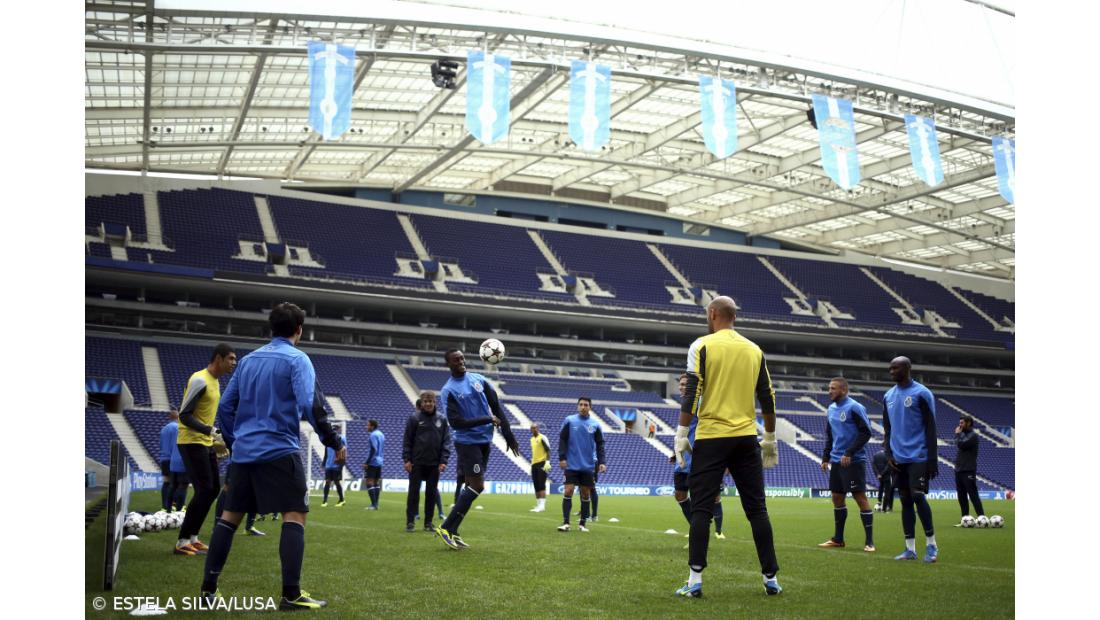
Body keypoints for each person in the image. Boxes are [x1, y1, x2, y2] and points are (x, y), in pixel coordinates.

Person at [200, 302, 345, 610]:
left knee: (229, 518)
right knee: (295, 514)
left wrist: (233, 441)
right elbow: (310, 404)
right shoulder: (297, 359)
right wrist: (331, 440)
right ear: (299, 330)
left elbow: (225, 406)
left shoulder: (249, 360)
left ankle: (208, 590)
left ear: (271, 328)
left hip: (244, 453)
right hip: (280, 450)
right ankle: (291, 594)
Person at [673, 296, 781, 598]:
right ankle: (770, 578)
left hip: (711, 435)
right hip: (746, 436)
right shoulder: (754, 349)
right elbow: (767, 395)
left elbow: (692, 390)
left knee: (702, 510)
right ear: (734, 316)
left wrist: (682, 431)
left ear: (712, 314)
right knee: (757, 509)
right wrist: (769, 438)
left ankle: (694, 581)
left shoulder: (701, 345)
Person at [434, 349, 520, 550]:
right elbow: (456, 423)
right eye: (456, 360)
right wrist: (486, 419)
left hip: (484, 440)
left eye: (462, 358)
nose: (461, 362)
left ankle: (453, 531)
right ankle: (445, 527)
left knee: (470, 487)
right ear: (448, 364)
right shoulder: (448, 390)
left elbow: (497, 407)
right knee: (477, 485)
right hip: (466, 442)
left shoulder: (479, 379)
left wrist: (509, 435)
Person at [174, 343, 237, 557]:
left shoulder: (216, 382)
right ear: (218, 358)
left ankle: (193, 538)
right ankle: (182, 541)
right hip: (191, 441)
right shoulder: (200, 379)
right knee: (204, 490)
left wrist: (214, 439)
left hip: (205, 442)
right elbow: (184, 415)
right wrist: (210, 430)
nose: (234, 363)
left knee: (211, 490)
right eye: (230, 358)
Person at [883, 356, 939, 563]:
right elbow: (887, 429)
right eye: (890, 368)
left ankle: (932, 545)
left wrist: (932, 459)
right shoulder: (888, 395)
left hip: (919, 455)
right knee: (905, 500)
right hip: (898, 458)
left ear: (907, 368)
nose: (891, 371)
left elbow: (931, 427)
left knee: (917, 496)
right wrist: (889, 454)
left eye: (895, 367)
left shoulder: (922, 393)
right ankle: (910, 549)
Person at [817, 378, 876, 552]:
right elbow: (830, 435)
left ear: (843, 390)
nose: (829, 391)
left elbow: (866, 433)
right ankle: (838, 539)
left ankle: (869, 542)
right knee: (837, 497)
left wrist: (849, 452)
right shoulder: (831, 409)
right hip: (836, 461)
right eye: (829, 388)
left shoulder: (855, 407)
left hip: (854, 461)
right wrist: (825, 457)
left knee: (860, 498)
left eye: (833, 388)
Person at [669, 374, 725, 543]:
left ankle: (713, 531)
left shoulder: (701, 404)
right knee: (679, 495)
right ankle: (697, 528)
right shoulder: (684, 405)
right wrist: (676, 452)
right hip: (683, 459)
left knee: (708, 498)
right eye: (680, 384)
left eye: (684, 384)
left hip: (699, 459)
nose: (681, 387)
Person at [403, 391, 452, 532]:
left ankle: (428, 523)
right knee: (413, 493)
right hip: (416, 463)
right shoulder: (414, 418)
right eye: (426, 401)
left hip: (434, 464)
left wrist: (444, 461)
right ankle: (410, 522)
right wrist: (407, 459)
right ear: (422, 403)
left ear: (435, 403)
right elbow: (407, 441)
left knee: (431, 494)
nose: (428, 404)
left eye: (431, 401)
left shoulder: (442, 419)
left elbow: (446, 442)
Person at [557, 397, 607, 533]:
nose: (583, 407)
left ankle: (582, 524)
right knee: (568, 490)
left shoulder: (595, 425)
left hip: (588, 466)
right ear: (577, 406)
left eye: (586, 405)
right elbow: (562, 439)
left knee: (585, 494)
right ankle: (566, 523)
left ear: (590, 407)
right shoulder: (569, 420)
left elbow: (600, 444)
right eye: (581, 404)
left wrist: (602, 462)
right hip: (571, 464)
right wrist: (562, 457)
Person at [953, 415, 985, 525]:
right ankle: (965, 520)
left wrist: (958, 434)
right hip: (959, 470)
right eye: (960, 422)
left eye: (962, 423)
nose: (960, 425)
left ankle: (982, 518)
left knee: (973, 494)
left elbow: (962, 444)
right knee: (961, 496)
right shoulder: (964, 435)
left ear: (969, 423)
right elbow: (959, 444)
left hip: (968, 470)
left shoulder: (973, 435)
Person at [159, 409, 180, 511]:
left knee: (166, 482)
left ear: (169, 417)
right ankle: (173, 505)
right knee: (175, 483)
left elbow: (161, 444)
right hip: (173, 459)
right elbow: (175, 445)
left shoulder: (163, 429)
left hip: (164, 458)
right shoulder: (176, 428)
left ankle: (164, 505)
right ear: (178, 417)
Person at [322, 428, 348, 508]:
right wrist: (323, 463)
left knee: (336, 482)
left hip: (337, 464)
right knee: (327, 481)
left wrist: (341, 463)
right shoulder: (328, 439)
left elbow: (344, 450)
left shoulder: (341, 438)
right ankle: (325, 501)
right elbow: (326, 452)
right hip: (328, 465)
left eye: (335, 429)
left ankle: (341, 499)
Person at [529, 423, 552, 512]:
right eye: (532, 428)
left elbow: (548, 450)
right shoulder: (531, 439)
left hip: (542, 463)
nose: (534, 429)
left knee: (541, 484)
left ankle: (542, 506)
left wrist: (547, 462)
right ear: (530, 430)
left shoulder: (542, 437)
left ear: (538, 428)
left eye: (535, 428)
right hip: (534, 464)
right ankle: (538, 505)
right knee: (536, 485)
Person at [363, 420, 384, 510]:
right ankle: (376, 504)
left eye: (368, 425)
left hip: (373, 461)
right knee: (376, 482)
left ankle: (373, 505)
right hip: (380, 460)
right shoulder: (381, 434)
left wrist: (367, 462)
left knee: (369, 482)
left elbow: (373, 450)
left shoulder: (373, 435)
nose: (366, 427)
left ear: (372, 426)